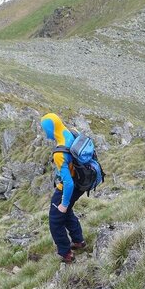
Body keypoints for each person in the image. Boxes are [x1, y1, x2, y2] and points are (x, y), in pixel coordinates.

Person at [40, 113, 87, 263]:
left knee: (55, 219)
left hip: (69, 187)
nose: (45, 133)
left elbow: (68, 183)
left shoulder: (60, 153)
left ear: (50, 129)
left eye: (45, 129)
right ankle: (79, 241)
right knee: (67, 214)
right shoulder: (73, 132)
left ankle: (66, 253)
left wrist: (64, 204)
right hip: (81, 184)